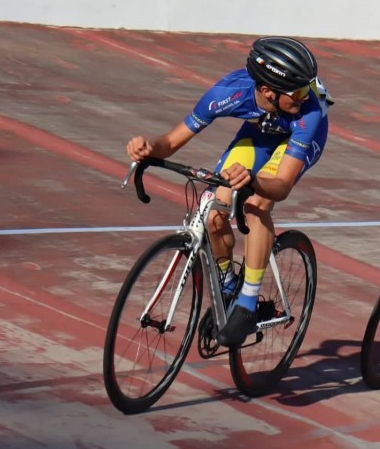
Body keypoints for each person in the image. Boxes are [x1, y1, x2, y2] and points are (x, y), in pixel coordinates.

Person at [126, 36, 333, 347]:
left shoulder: (310, 111)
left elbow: (282, 186)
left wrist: (251, 179)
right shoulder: (227, 93)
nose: (305, 95)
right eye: (299, 90)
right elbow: (169, 142)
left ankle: (247, 303)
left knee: (256, 202)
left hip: (298, 142)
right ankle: (228, 282)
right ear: (267, 91)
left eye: (308, 87)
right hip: (260, 132)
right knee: (214, 210)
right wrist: (146, 147)